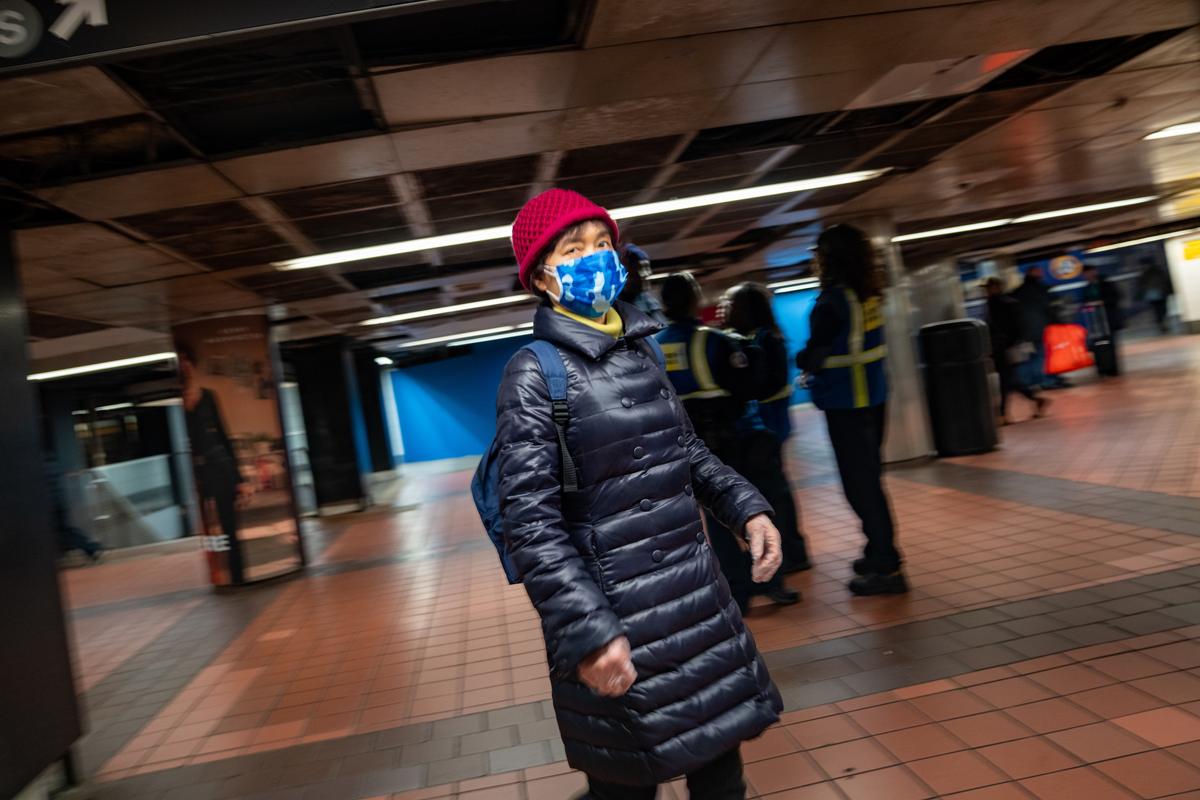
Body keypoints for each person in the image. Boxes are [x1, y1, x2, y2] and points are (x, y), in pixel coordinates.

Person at [496, 189, 783, 798]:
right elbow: (531, 522)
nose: (594, 259)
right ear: (542, 278)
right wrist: (588, 632)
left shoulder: (640, 346)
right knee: (627, 787)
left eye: (603, 244)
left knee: (721, 775)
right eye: (574, 250)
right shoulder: (534, 372)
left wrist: (745, 507)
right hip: (615, 617)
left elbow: (687, 451)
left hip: (694, 602)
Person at [657, 273, 800, 612]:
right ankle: (772, 581)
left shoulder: (655, 347)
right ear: (694, 300)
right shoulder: (716, 341)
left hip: (691, 444)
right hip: (734, 436)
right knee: (751, 508)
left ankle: (738, 591)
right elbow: (748, 386)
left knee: (717, 523)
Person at [796, 224, 907, 597]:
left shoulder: (832, 302)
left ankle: (887, 566)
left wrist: (803, 360)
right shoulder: (867, 295)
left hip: (848, 404)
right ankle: (877, 550)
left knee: (861, 487)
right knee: (870, 482)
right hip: (874, 400)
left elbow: (816, 352)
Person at [723, 281, 812, 574]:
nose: (728, 310)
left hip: (769, 425)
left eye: (733, 305)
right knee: (777, 490)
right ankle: (794, 550)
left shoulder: (765, 340)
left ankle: (792, 553)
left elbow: (764, 384)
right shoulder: (762, 337)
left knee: (774, 493)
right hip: (769, 424)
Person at [177, 341, 251, 584]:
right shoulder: (178, 402)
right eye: (179, 360)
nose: (183, 365)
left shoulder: (208, 396)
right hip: (198, 473)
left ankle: (238, 575)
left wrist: (239, 478)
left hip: (220, 468)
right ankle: (216, 575)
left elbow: (223, 436)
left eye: (186, 359)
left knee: (229, 525)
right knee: (209, 530)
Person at [984, 277, 1048, 424]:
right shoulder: (1006, 302)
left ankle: (1003, 414)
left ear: (995, 288)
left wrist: (1005, 343)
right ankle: (1035, 400)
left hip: (1003, 347)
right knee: (1009, 380)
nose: (986, 291)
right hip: (1006, 346)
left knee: (1006, 380)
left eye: (988, 288)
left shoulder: (997, 303)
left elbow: (998, 327)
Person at [1012, 266, 1068, 389]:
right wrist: (1059, 323)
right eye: (1039, 272)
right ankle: (1046, 380)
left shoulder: (1020, 291)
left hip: (1029, 329)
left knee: (1038, 355)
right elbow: (1048, 308)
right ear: (1034, 273)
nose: (1042, 274)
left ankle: (1039, 379)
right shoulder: (1039, 289)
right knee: (1044, 355)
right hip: (1042, 327)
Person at [45, 454, 103, 563]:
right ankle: (90, 548)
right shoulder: (53, 465)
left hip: (51, 505)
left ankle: (91, 548)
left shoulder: (39, 467)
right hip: (59, 502)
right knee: (65, 531)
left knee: (64, 531)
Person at [618, 242, 667, 323]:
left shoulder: (651, 304)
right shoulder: (613, 309)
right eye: (640, 268)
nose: (647, 273)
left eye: (647, 268)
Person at [1082, 263, 1124, 336]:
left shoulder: (1106, 283)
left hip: (1108, 315)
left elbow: (1116, 296)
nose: (1086, 275)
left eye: (1088, 272)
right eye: (1085, 274)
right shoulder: (1088, 286)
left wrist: (1102, 302)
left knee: (1111, 336)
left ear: (1094, 272)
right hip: (1096, 317)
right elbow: (1086, 299)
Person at [1137, 257, 1173, 333]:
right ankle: (1161, 323)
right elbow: (1165, 281)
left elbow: (1141, 284)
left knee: (1158, 310)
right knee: (1161, 309)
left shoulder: (1145, 273)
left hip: (1154, 294)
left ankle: (1161, 323)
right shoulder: (1158, 271)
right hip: (1160, 293)